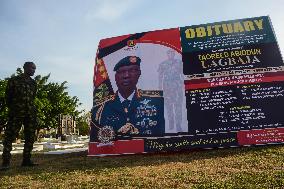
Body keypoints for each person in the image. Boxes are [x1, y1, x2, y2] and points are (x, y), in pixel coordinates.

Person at [91, 56, 165, 142]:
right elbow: (97, 141)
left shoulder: (157, 102)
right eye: (121, 72)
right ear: (115, 77)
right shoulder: (100, 109)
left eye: (132, 70)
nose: (126, 76)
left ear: (139, 73)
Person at [1, 62, 38, 170]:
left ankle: (26, 160)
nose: (34, 70)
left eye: (35, 69)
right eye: (32, 68)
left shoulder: (33, 83)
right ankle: (6, 162)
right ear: (25, 68)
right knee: (9, 136)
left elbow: (32, 97)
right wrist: (14, 108)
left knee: (30, 137)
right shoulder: (14, 80)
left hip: (30, 113)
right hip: (16, 112)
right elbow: (8, 97)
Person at [158, 49, 184, 132]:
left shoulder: (179, 63)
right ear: (167, 54)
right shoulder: (163, 64)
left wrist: (184, 84)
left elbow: (182, 74)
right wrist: (160, 87)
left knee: (178, 106)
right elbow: (160, 76)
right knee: (169, 106)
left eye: (172, 53)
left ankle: (178, 125)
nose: (171, 54)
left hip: (177, 87)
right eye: (169, 53)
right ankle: (171, 122)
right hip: (167, 88)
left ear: (174, 54)